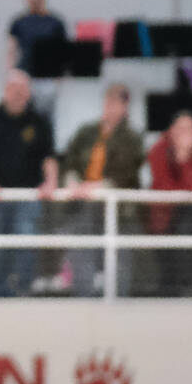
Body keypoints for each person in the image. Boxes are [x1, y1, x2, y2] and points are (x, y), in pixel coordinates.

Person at [0, 71, 58, 297]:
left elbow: (48, 157)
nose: (19, 95)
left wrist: (51, 182)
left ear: (29, 93)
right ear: (6, 90)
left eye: (23, 91)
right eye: (14, 90)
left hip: (28, 197)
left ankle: (23, 292)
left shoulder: (40, 122)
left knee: (26, 241)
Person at [59, 83, 145, 296]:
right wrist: (72, 183)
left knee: (118, 259)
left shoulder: (133, 138)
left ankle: (117, 305)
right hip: (82, 204)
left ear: (125, 106)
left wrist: (94, 187)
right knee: (81, 253)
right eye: (108, 101)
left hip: (118, 209)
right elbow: (69, 161)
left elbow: (125, 173)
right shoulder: (86, 132)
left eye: (116, 102)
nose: (110, 106)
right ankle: (83, 301)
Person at [143, 109, 192, 297]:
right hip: (163, 212)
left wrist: (185, 157)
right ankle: (171, 287)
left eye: (190, 129)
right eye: (182, 128)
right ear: (172, 130)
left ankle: (186, 286)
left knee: (189, 220)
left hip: (191, 214)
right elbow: (164, 187)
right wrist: (181, 157)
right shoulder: (159, 150)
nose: (186, 133)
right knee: (178, 225)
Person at [7, 0, 67, 115]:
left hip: (46, 80)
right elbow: (11, 50)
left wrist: (57, 82)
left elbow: (62, 54)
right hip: (23, 77)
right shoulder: (19, 22)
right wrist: (10, 76)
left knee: (44, 120)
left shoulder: (55, 23)